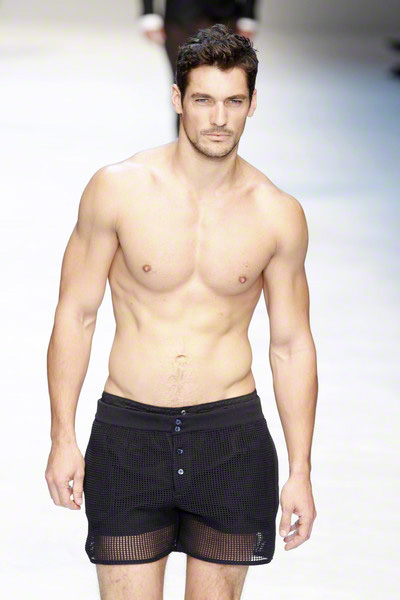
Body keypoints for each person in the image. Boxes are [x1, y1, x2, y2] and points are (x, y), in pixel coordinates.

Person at [45, 23, 318, 600]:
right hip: (128, 436)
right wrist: (62, 436)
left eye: (233, 102)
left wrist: (301, 470)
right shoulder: (117, 190)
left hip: (231, 440)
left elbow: (291, 344)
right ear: (177, 99)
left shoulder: (277, 214)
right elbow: (76, 314)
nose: (219, 118)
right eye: (203, 100)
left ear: (251, 105)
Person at [138, 0, 260, 133]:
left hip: (224, 13)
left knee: (224, 88)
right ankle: (185, 143)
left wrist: (248, 14)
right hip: (180, 16)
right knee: (184, 86)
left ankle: (216, 142)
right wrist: (148, 12)